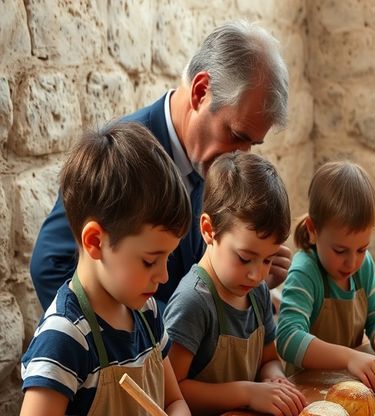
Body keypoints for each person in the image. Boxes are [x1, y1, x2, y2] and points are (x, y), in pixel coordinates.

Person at [11, 123, 200, 416]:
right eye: (150, 260)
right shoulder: (65, 335)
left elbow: (174, 401)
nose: (164, 275)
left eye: (168, 257)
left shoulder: (146, 313)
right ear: (95, 242)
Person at [29, 21, 292, 310]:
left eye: (252, 144)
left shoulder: (209, 162)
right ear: (201, 91)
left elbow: (196, 279)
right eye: (236, 135)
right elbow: (50, 266)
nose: (240, 156)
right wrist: (162, 328)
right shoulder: (122, 158)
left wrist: (243, 278)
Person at [164, 152, 307, 416]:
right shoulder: (193, 301)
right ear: (209, 230)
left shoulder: (257, 292)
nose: (257, 274)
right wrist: (247, 393)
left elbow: (268, 359)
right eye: (244, 258)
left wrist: (274, 378)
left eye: (268, 260)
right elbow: (172, 392)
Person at [277, 161, 375, 392]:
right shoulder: (305, 271)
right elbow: (288, 339)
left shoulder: (364, 267)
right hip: (307, 393)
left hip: (350, 388)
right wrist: (349, 358)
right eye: (340, 251)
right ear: (313, 230)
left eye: (362, 249)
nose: (352, 263)